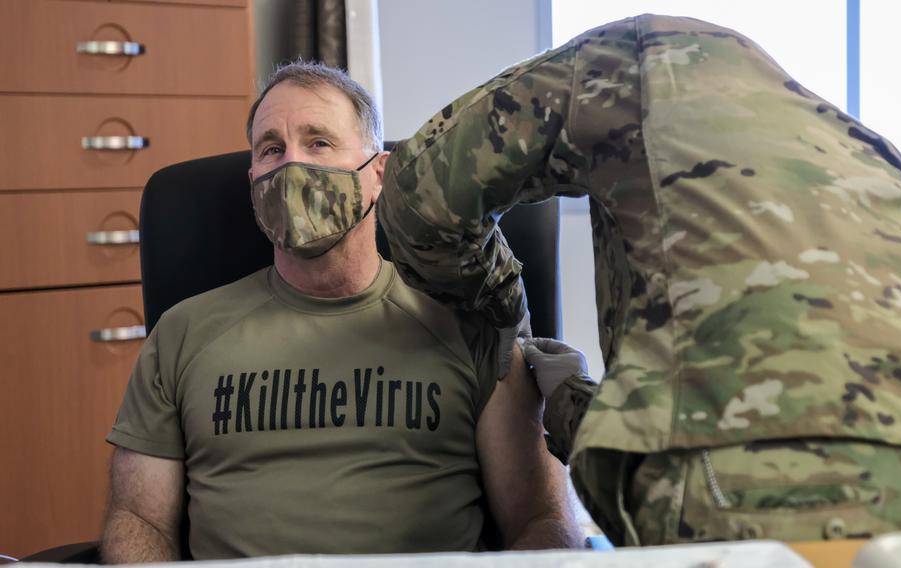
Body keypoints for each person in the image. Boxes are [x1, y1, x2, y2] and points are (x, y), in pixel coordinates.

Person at [377, 14, 901, 546]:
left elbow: (415, 197)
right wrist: (565, 394)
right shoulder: (874, 155)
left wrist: (501, 314)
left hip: (737, 483)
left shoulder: (637, 55)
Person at [100, 61, 582, 562]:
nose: (291, 167)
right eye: (271, 149)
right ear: (253, 182)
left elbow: (540, 520)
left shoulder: (474, 326)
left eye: (319, 143)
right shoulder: (181, 333)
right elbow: (137, 518)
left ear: (379, 174)